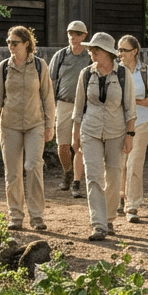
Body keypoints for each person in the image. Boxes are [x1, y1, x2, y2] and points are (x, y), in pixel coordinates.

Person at [0, 26, 55, 232]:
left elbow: (47, 97)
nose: (10, 46)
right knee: (13, 173)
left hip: (35, 124)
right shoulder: (4, 67)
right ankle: (15, 215)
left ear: (26, 44)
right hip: (9, 125)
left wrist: (50, 124)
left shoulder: (40, 66)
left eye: (14, 42)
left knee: (33, 166)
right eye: (8, 42)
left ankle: (37, 216)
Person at [71, 32, 135, 241]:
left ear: (107, 53)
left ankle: (109, 218)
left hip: (117, 132)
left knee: (114, 176)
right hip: (90, 131)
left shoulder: (124, 74)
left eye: (94, 49)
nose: (90, 52)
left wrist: (130, 134)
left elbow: (130, 108)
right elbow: (78, 107)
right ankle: (98, 224)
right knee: (93, 176)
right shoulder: (86, 74)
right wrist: (75, 134)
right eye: (90, 49)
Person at [116, 35, 148, 223]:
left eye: (124, 50)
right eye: (119, 49)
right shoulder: (114, 70)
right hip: (117, 124)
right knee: (118, 164)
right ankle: (118, 197)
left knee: (134, 164)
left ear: (134, 51)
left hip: (141, 123)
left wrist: (135, 102)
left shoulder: (146, 71)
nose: (120, 53)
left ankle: (132, 206)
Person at [49, 21, 92, 199]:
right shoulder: (60, 56)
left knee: (79, 145)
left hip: (85, 105)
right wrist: (50, 108)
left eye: (76, 33)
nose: (72, 36)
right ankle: (67, 172)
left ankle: (76, 181)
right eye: (70, 33)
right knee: (62, 145)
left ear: (84, 35)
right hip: (64, 104)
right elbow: (50, 83)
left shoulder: (90, 56)